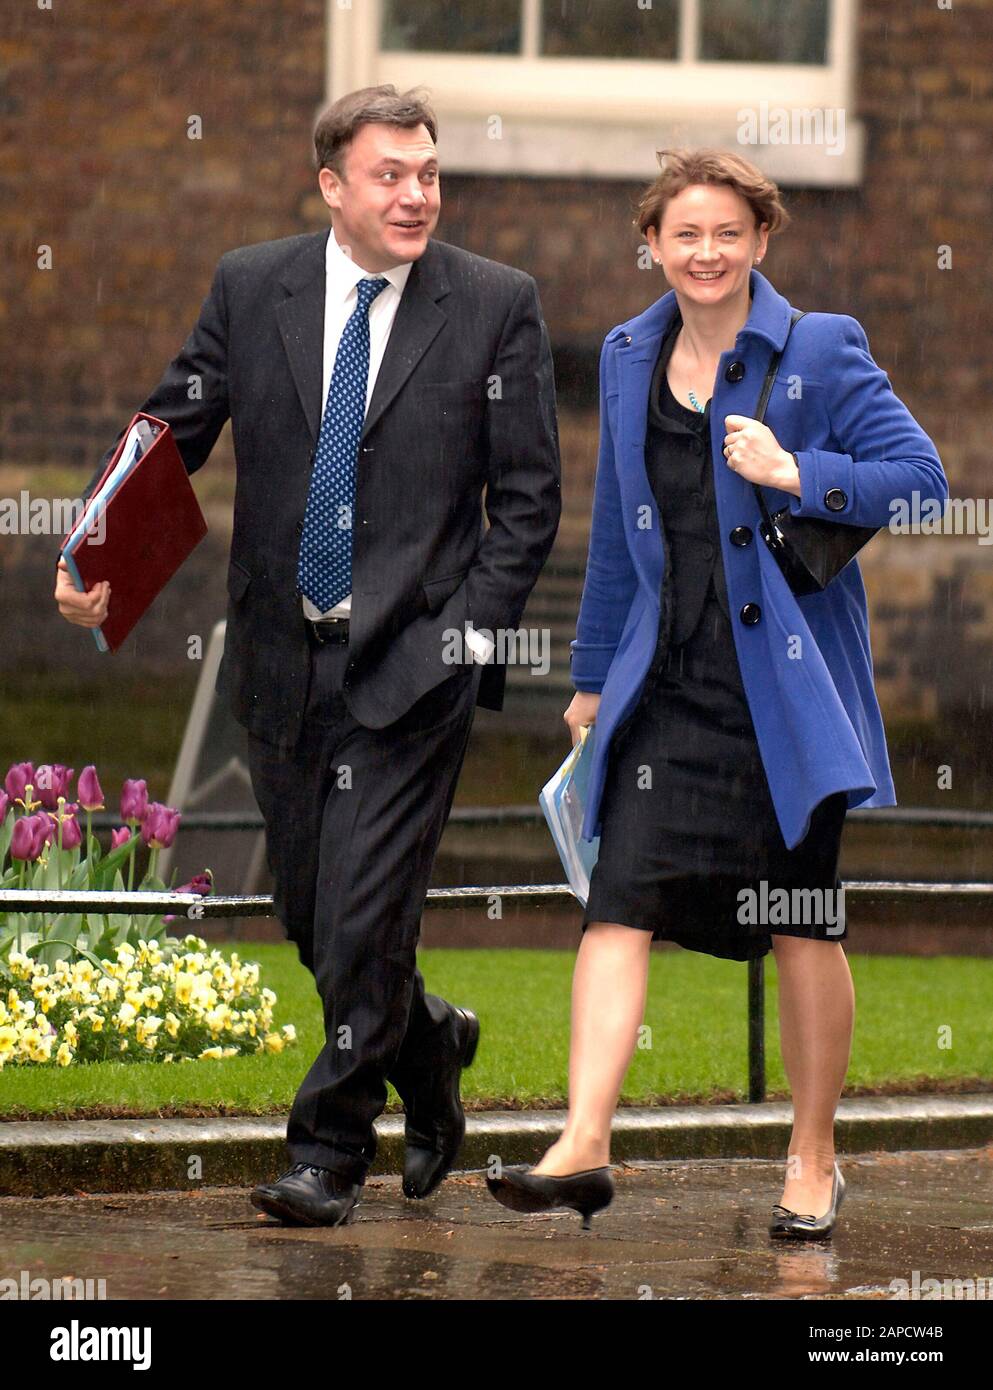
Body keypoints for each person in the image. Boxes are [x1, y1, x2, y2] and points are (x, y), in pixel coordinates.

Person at [56, 85, 561, 1227]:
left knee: (365, 913)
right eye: (390, 174)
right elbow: (170, 428)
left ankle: (328, 1150)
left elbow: (527, 505)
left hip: (412, 670)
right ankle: (431, 1047)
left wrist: (462, 641)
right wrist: (94, 552)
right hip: (282, 661)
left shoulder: (495, 306)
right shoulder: (252, 284)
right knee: (310, 912)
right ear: (331, 185)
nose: (416, 194)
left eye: (428, 172)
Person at [487, 147, 946, 1237]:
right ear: (651, 243)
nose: (707, 253)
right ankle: (585, 1139)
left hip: (788, 700)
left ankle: (814, 1153)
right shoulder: (626, 352)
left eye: (728, 233)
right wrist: (593, 681)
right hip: (669, 690)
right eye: (684, 234)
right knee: (618, 901)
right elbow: (613, 533)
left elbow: (923, 481)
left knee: (800, 923)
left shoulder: (820, 347)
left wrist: (799, 472)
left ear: (762, 241)